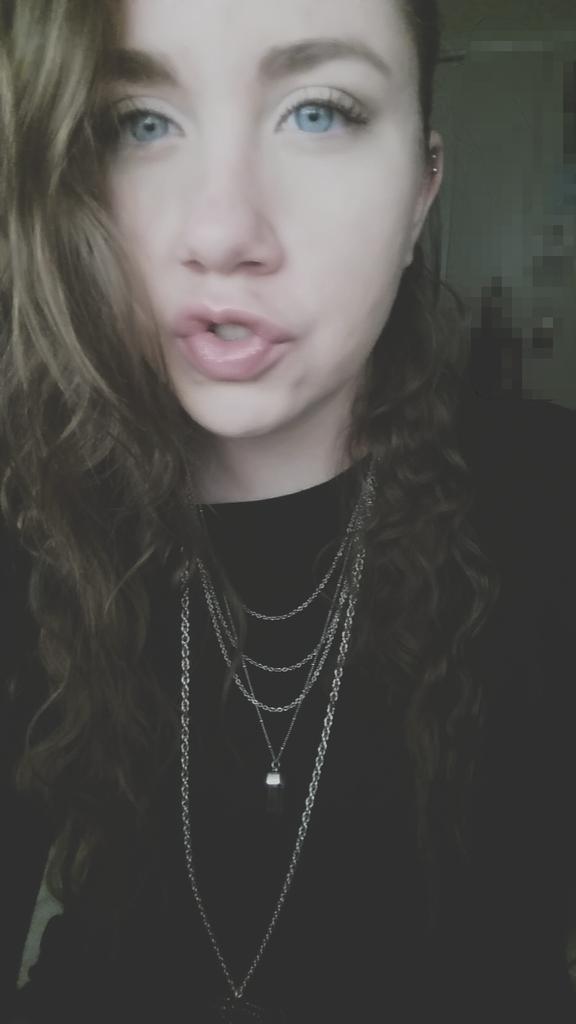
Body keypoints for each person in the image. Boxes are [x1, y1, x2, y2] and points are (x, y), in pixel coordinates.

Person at [1, 1, 575, 1021]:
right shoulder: (37, 516)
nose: (222, 233)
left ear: (422, 191)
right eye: (139, 121)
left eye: (318, 111)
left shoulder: (549, 506)